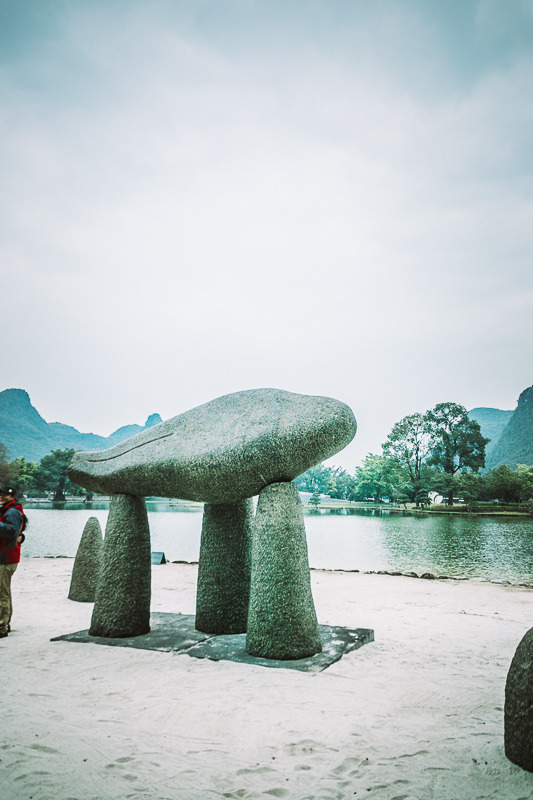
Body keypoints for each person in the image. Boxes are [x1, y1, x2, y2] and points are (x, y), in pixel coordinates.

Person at [0, 483, 26, 638]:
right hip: (6, 556)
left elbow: (11, 532)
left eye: (5, 494)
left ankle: (2, 626)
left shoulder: (12, 511)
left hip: (5, 558)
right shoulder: (8, 510)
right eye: (0, 494)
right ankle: (5, 623)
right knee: (4, 592)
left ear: (13, 496)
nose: (2, 496)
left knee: (2, 594)